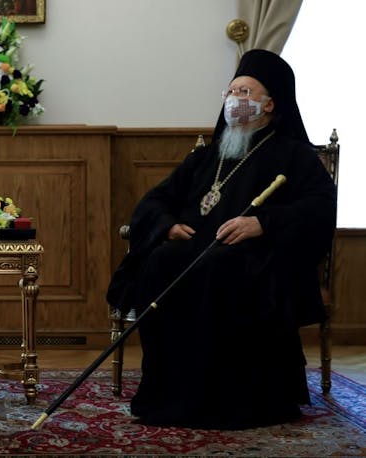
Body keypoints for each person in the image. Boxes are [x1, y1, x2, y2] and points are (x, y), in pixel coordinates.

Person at [106, 49, 336, 429]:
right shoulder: (207, 156)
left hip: (258, 261)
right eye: (230, 92)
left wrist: (262, 223)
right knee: (161, 261)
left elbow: (320, 208)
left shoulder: (293, 155)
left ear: (269, 104)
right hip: (197, 250)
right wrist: (166, 225)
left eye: (244, 92)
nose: (234, 100)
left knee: (219, 267)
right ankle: (170, 392)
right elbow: (156, 199)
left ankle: (226, 400)